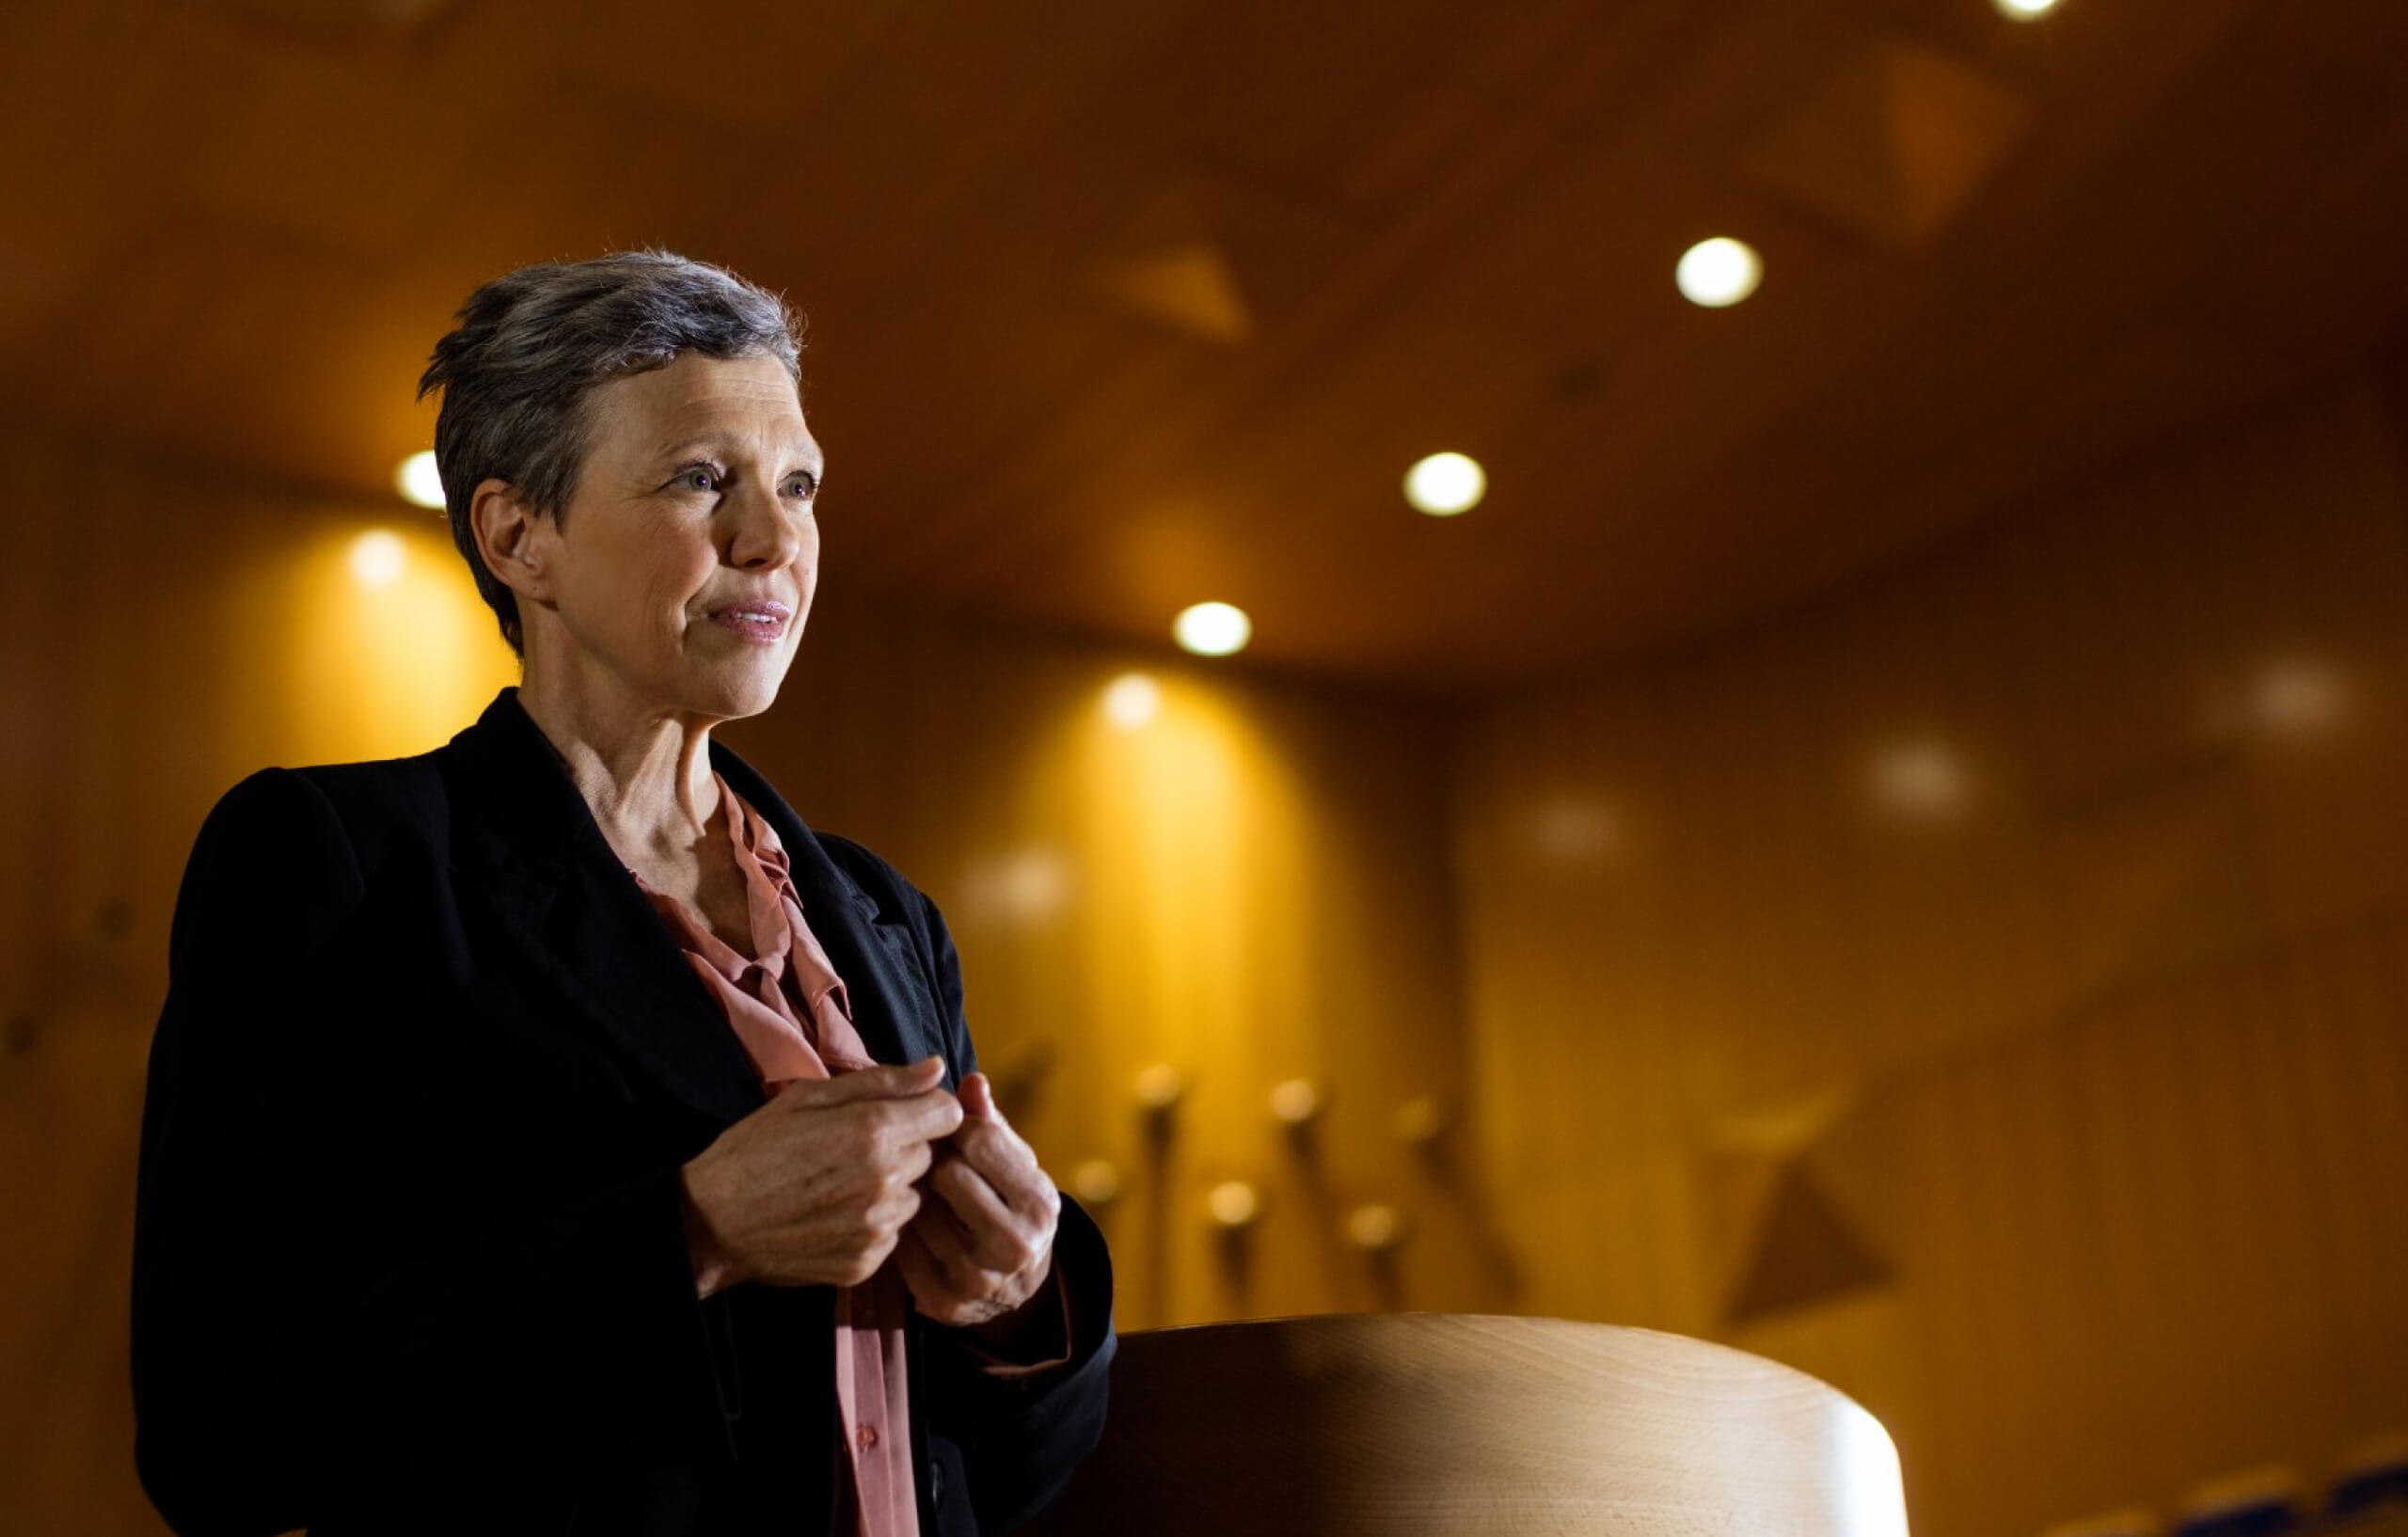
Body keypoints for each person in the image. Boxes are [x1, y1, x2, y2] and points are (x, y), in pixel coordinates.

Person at [129, 251, 1115, 1537]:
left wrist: (1018, 1302)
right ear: (516, 533)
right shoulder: (338, 862)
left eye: (799, 484)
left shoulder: (886, 914)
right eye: (704, 479)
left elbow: (998, 1473)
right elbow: (223, 1435)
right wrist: (690, 1233)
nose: (775, 539)